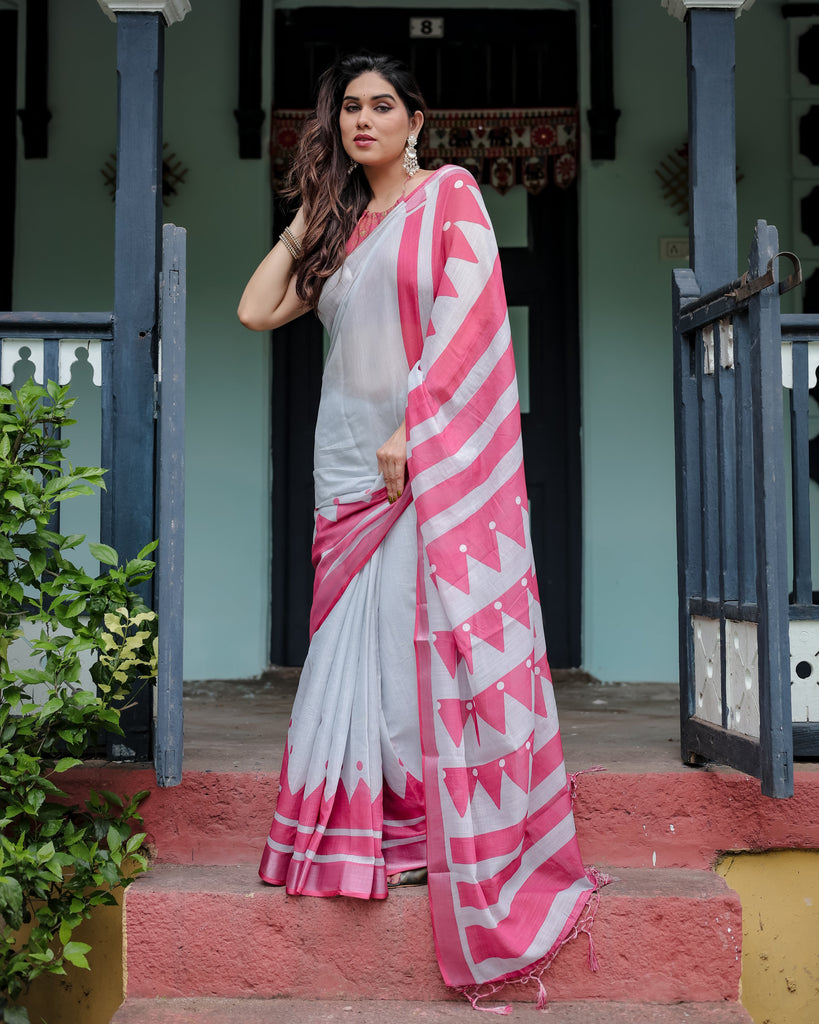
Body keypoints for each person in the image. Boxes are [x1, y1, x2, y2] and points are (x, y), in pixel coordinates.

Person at [238, 52, 602, 1008]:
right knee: (356, 646)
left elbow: (467, 321)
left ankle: (428, 829)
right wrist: (304, 220)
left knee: (415, 649)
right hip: (347, 462)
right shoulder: (337, 226)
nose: (363, 121)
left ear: (416, 119)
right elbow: (254, 309)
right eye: (349, 109)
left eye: (381, 106)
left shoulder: (450, 197)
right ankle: (373, 827)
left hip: (422, 454)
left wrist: (415, 425)